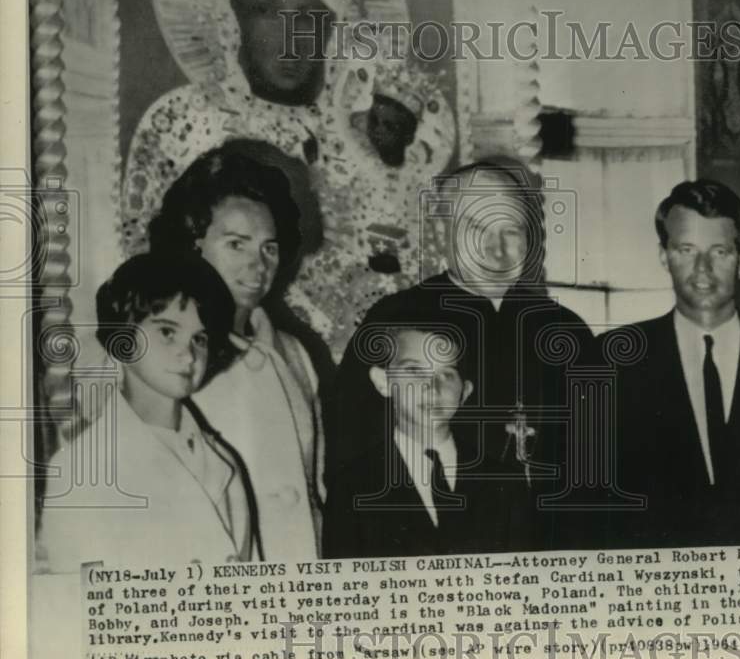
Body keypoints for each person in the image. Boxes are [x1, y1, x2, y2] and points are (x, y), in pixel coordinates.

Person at [119, 0, 456, 359]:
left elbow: (423, 257)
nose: (291, 35)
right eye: (265, 10)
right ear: (230, 19)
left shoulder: (368, 130)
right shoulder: (180, 122)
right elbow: (147, 266)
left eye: (309, 15)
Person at [325, 158, 602, 553]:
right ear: (443, 231)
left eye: (512, 230)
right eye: (477, 228)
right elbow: (351, 457)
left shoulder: (564, 329)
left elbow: (600, 461)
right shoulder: (397, 319)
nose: (497, 249)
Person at [600, 179, 740, 548]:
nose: (702, 269)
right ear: (663, 257)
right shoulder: (613, 359)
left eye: (719, 252)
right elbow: (594, 511)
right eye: (686, 249)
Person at [148, 145, 325, 558]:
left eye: (269, 247)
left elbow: (316, 487)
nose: (258, 264)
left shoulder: (295, 354)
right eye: (236, 244)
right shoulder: (160, 352)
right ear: (194, 246)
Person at [37, 253, 260, 571]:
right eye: (168, 332)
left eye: (200, 338)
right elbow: (78, 604)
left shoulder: (224, 462)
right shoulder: (80, 470)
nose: (188, 353)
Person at [325, 306, 536, 558]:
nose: (432, 388)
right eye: (414, 370)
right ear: (384, 382)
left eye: (447, 374)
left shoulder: (506, 484)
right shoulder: (351, 487)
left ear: (465, 392)